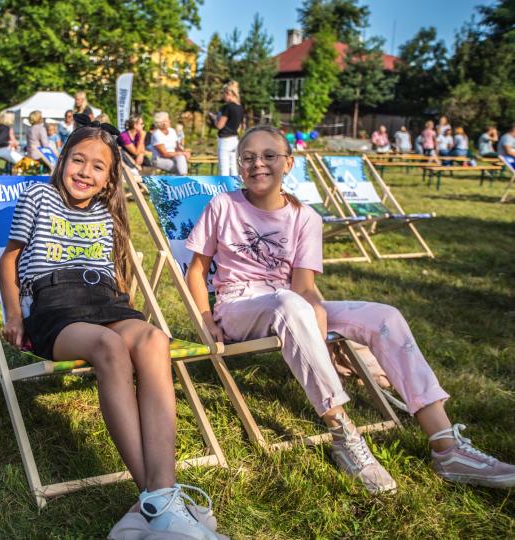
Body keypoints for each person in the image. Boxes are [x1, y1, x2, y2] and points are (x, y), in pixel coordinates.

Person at [184, 124, 515, 495]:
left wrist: (318, 318)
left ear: (289, 163)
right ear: (239, 166)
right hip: (239, 306)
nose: (257, 163)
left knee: (384, 316)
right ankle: (343, 432)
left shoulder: (305, 217)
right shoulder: (224, 205)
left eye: (269, 156)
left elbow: (304, 287)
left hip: (290, 300)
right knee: (290, 306)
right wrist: (205, 318)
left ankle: (446, 446)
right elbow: (196, 271)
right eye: (248, 158)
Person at [0, 124, 224, 539]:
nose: (85, 172)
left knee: (154, 339)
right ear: (62, 160)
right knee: (109, 346)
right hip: (54, 306)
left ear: (109, 178)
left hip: (103, 299)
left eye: (98, 166)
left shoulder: (105, 213)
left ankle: (157, 498)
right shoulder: (38, 196)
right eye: (78, 160)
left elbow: (110, 274)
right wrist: (14, 314)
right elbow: (9, 259)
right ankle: (160, 500)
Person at [209, 81, 245, 176]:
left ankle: (225, 186)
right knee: (233, 168)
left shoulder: (227, 107)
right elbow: (240, 126)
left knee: (223, 169)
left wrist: (215, 119)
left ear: (228, 93)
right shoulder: (240, 107)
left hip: (225, 140)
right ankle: (235, 186)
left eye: (223, 94)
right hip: (234, 140)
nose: (223, 96)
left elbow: (219, 125)